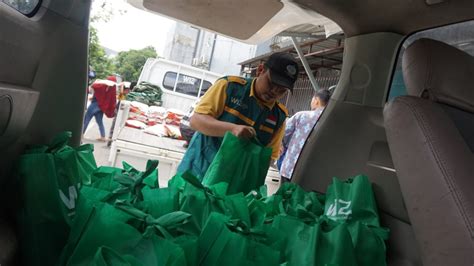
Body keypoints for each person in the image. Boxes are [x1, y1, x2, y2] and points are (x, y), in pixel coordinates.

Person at [177, 52, 299, 179]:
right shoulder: (228, 87)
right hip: (197, 172)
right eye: (271, 83)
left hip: (233, 185)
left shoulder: (279, 116)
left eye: (282, 90)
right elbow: (196, 121)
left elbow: (268, 158)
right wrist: (232, 129)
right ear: (260, 70)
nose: (274, 91)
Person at [279, 88, 331, 182]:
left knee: (285, 194)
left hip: (290, 167)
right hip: (313, 172)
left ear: (316, 101)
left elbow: (283, 133)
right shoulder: (331, 123)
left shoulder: (302, 115)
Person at [83, 75, 117, 141]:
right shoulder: (113, 89)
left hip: (95, 105)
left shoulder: (102, 85)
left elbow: (93, 86)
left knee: (86, 119)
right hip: (101, 107)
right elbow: (112, 100)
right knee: (99, 122)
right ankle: (103, 137)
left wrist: (97, 81)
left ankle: (81, 134)